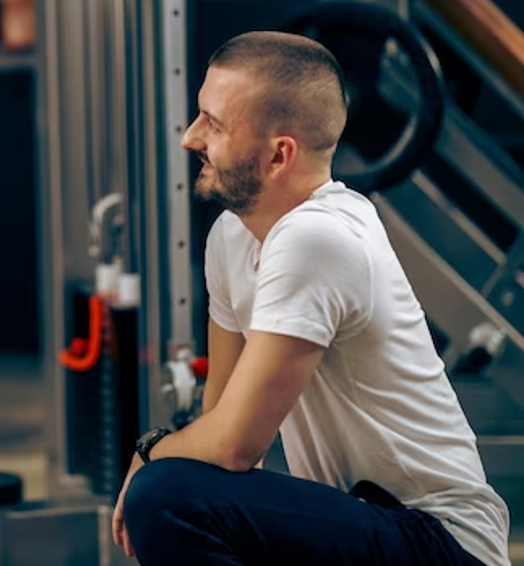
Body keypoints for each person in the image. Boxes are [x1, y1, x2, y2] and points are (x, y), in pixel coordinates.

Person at [111, 31, 510, 566]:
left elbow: (233, 444)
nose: (190, 137)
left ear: (280, 155)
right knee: (177, 488)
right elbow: (221, 439)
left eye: (215, 124)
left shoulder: (317, 238)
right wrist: (168, 456)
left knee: (166, 496)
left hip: (441, 539)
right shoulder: (230, 239)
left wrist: (151, 449)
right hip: (366, 522)